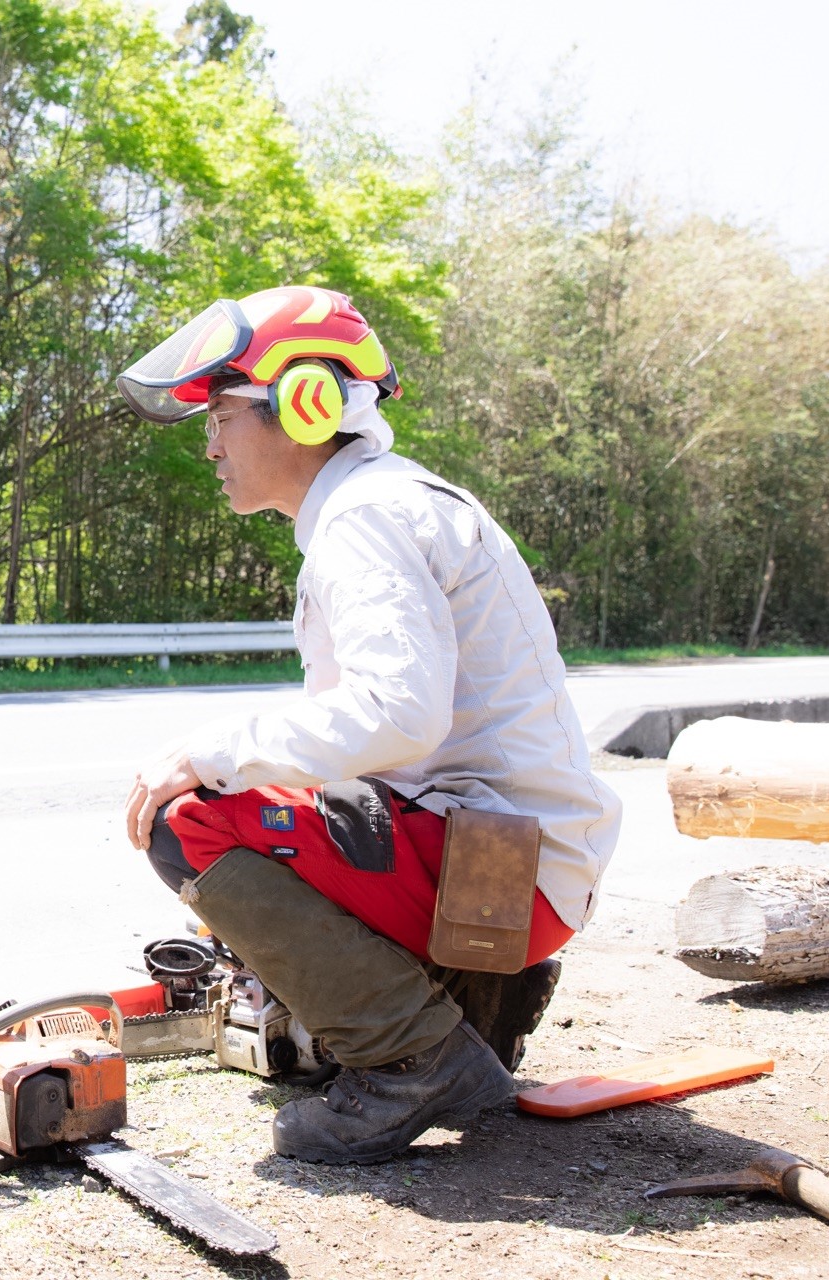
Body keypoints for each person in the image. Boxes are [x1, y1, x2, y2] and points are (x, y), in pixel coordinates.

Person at [114, 285, 621, 1165]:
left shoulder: (365, 519)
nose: (208, 443)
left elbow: (395, 715)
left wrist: (206, 757)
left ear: (304, 404)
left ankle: (411, 1062)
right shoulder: (384, 504)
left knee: (187, 819)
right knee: (258, 798)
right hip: (507, 864)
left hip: (499, 875)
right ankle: (466, 1013)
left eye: (223, 415)